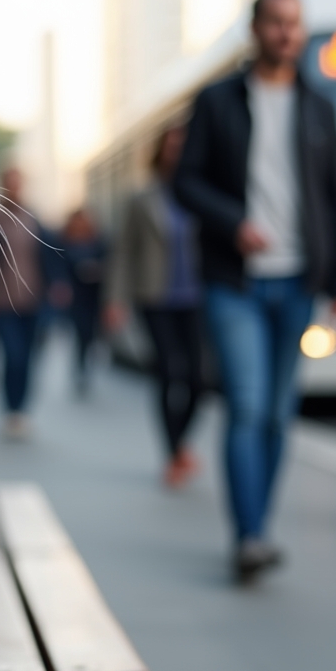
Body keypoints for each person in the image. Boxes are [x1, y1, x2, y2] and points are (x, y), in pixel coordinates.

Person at [174, 0, 336, 582]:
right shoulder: (217, 101)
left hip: (298, 282)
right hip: (235, 281)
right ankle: (248, 537)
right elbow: (185, 182)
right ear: (255, 30)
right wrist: (234, 223)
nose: (286, 33)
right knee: (249, 405)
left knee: (279, 415)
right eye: (276, 22)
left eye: (295, 23)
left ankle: (260, 525)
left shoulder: (320, 106)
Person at [105, 125, 204, 489]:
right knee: (168, 372)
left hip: (197, 298)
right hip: (155, 297)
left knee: (197, 379)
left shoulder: (201, 194)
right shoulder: (141, 199)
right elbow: (124, 252)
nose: (176, 153)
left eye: (183, 146)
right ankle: (173, 452)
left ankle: (181, 443)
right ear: (160, 151)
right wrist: (115, 299)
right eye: (171, 146)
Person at [0, 168, 47, 440]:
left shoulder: (34, 219)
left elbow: (48, 257)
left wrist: (56, 286)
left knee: (28, 358)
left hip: (33, 301)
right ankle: (10, 408)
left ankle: (21, 410)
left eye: (18, 183)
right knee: (12, 355)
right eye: (10, 183)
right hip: (1, 302)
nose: (14, 188)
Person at [57, 208, 108, 395]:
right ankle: (81, 370)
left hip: (95, 296)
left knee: (91, 335)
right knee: (81, 334)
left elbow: (109, 264)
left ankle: (86, 368)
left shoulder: (98, 242)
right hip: (76, 297)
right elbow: (60, 267)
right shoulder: (64, 242)